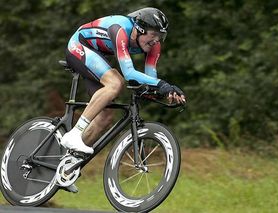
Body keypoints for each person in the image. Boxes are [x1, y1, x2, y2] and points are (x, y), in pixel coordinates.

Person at [61, 7, 186, 154]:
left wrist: (165, 91)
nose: (156, 40)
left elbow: (151, 79)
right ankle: (74, 134)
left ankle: (69, 159)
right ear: (139, 29)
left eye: (160, 36)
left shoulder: (154, 46)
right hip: (80, 45)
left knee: (105, 117)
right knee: (116, 83)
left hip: (97, 55)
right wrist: (163, 85)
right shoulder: (119, 29)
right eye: (154, 34)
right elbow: (129, 73)